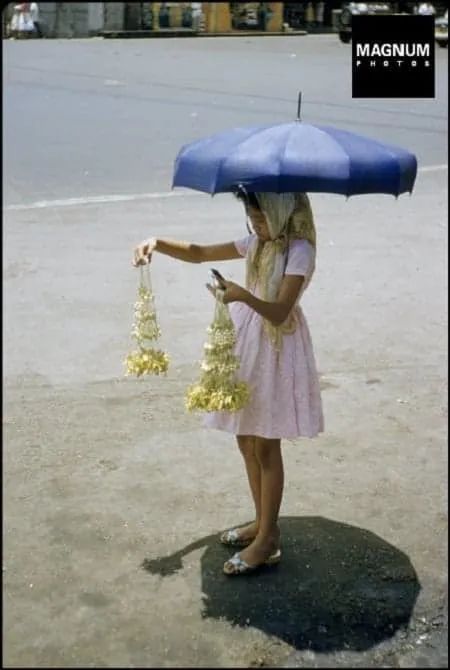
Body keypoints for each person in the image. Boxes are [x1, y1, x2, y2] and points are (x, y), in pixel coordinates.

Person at [133, 191, 324, 576]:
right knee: (245, 437)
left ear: (282, 212)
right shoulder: (256, 243)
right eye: (251, 218)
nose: (256, 225)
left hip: (277, 345)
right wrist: (157, 242)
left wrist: (240, 295)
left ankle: (268, 539)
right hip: (248, 342)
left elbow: (281, 310)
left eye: (262, 217)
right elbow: (200, 252)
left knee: (266, 444)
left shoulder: (298, 249)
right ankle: (261, 522)